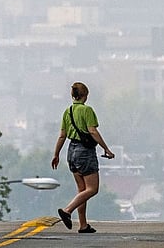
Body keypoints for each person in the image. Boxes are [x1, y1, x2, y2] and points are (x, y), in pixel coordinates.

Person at [51, 82, 115, 233]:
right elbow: (92, 131)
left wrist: (56, 154)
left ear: (73, 95)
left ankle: (83, 225)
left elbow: (62, 136)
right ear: (85, 96)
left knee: (82, 190)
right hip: (84, 152)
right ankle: (67, 211)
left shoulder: (68, 111)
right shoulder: (87, 110)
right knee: (92, 189)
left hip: (71, 152)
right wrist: (106, 149)